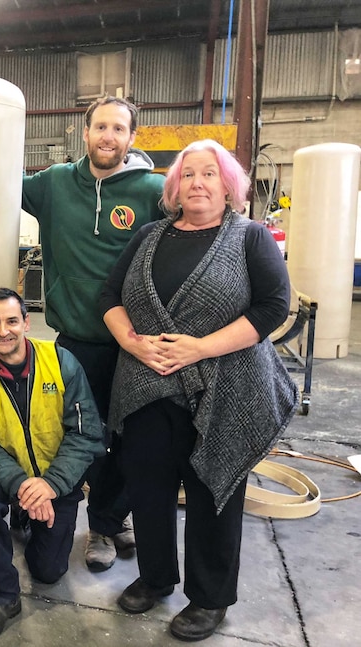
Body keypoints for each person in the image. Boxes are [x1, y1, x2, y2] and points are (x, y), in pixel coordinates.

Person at [100, 139, 298, 641]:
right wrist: (134, 343)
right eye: (188, 175)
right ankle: (155, 576)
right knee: (147, 487)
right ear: (175, 187)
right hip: (146, 386)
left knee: (215, 490)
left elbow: (274, 307)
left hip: (222, 389)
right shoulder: (148, 236)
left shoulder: (251, 237)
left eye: (209, 174)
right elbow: (109, 295)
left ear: (228, 184)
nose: (198, 184)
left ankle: (209, 599)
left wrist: (200, 348)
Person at [21, 95, 166, 571]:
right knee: (83, 437)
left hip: (133, 342)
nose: (108, 136)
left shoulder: (152, 191)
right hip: (78, 340)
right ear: (85, 133)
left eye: (118, 129)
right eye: (100, 127)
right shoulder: (54, 185)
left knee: (130, 440)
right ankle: (82, 522)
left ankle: (108, 521)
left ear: (131, 137)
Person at [0, 288, 105, 641]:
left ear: (26, 322)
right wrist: (24, 484)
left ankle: (27, 515)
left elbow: (86, 434)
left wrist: (51, 484)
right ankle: (0, 594)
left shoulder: (61, 362)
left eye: (11, 321)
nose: (3, 330)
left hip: (57, 476)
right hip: (11, 475)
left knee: (48, 572)